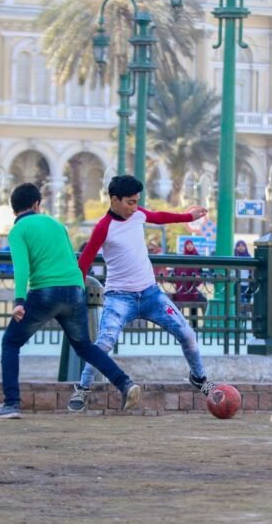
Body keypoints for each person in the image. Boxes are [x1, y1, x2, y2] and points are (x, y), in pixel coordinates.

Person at [0, 182, 142, 419]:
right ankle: (125, 384)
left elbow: (21, 267)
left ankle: (11, 403)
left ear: (14, 211)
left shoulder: (18, 231)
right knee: (84, 346)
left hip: (45, 291)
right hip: (75, 290)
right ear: (37, 204)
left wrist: (19, 300)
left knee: (11, 343)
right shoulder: (56, 224)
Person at [69, 176, 213, 412]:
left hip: (151, 295)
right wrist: (75, 291)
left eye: (137, 202)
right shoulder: (103, 227)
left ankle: (199, 378)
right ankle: (82, 389)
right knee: (103, 343)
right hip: (118, 298)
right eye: (129, 202)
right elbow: (84, 263)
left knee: (187, 334)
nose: (134, 208)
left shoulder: (138, 215)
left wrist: (189, 217)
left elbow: (160, 217)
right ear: (114, 200)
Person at [172, 238, 208, 328]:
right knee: (199, 299)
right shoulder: (192, 259)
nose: (190, 246)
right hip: (189, 293)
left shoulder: (183, 259)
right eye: (187, 245)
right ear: (185, 246)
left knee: (195, 297)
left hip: (180, 292)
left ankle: (181, 325)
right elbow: (198, 281)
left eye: (191, 244)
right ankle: (196, 325)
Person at [234, 239, 253, 304]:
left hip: (247, 283)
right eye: (238, 246)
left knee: (246, 302)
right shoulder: (234, 257)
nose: (240, 247)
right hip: (237, 283)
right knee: (239, 302)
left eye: (242, 246)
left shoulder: (249, 257)